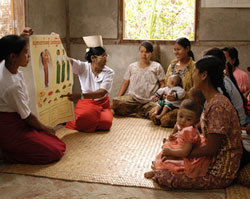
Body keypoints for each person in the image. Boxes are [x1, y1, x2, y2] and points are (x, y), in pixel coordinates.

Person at [152, 56, 242, 189]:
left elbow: (211, 148)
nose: (192, 76)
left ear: (204, 75)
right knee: (165, 158)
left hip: (219, 170)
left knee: (164, 176)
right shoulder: (212, 101)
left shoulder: (218, 105)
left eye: (195, 71)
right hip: (209, 159)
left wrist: (179, 154)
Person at [0, 34, 66, 164]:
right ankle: (6, 153)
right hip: (10, 127)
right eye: (25, 52)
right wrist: (46, 128)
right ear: (13, 57)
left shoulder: (5, 64)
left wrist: (21, 36)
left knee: (58, 144)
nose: (28, 55)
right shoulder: (11, 86)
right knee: (52, 152)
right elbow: (27, 117)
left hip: (19, 122)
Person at [145, 99, 209, 179]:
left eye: (188, 119)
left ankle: (157, 172)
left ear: (196, 121)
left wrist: (171, 152)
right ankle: (159, 168)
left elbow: (185, 152)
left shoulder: (189, 131)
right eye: (181, 116)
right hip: (181, 146)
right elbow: (181, 136)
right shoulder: (184, 127)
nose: (183, 120)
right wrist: (175, 136)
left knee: (169, 161)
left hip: (186, 155)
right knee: (165, 151)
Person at [65, 35, 114, 133]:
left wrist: (80, 96)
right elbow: (65, 60)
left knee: (106, 123)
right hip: (86, 102)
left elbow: (101, 93)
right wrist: (55, 44)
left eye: (106, 56)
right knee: (83, 119)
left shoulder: (109, 72)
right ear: (93, 58)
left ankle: (93, 119)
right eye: (103, 57)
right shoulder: (82, 67)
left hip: (102, 103)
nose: (106, 60)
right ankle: (91, 119)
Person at [149, 37, 195, 127]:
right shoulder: (172, 65)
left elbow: (196, 90)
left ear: (187, 49)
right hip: (168, 102)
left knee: (166, 120)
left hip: (184, 104)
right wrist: (165, 95)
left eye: (179, 49)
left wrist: (179, 96)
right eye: (174, 50)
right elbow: (167, 85)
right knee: (152, 114)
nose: (176, 52)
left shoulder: (194, 67)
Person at [112, 41, 165, 118]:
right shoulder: (132, 66)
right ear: (139, 52)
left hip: (150, 100)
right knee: (116, 102)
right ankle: (142, 113)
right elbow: (125, 83)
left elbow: (162, 84)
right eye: (141, 51)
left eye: (147, 52)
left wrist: (158, 96)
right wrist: (118, 98)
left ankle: (138, 112)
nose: (144, 54)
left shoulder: (157, 66)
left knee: (158, 108)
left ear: (151, 53)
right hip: (133, 99)